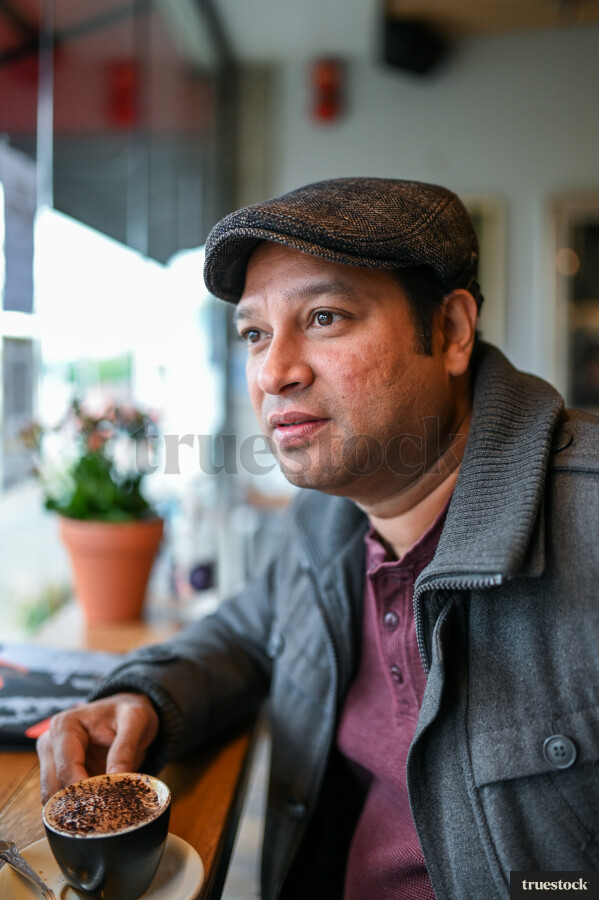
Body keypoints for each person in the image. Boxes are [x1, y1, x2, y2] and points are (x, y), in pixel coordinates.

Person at [37, 178, 599, 899]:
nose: (274, 372)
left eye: (326, 317)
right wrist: (146, 695)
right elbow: (244, 634)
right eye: (254, 333)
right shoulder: (324, 517)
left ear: (452, 331)